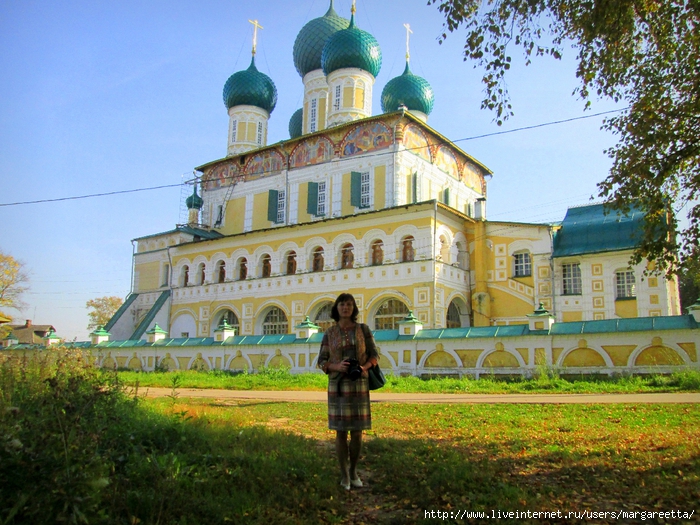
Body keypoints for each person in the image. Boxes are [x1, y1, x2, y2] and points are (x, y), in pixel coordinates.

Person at [317, 293, 379, 490]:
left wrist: (364, 368)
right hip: (338, 386)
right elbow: (322, 361)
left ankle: (353, 471)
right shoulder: (330, 333)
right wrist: (337, 367)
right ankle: (344, 475)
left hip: (358, 384)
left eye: (349, 304)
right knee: (340, 432)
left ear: (354, 308)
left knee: (358, 432)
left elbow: (374, 355)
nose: (346, 308)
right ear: (337, 308)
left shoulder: (363, 330)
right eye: (342, 304)